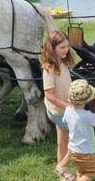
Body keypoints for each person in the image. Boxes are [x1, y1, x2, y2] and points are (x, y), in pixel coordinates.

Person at [41, 30, 76, 181]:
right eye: (62, 47)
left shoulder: (61, 62)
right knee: (75, 141)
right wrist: (68, 106)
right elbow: (49, 94)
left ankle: (62, 169)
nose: (66, 50)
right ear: (52, 48)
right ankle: (62, 167)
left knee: (62, 141)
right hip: (59, 111)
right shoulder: (49, 67)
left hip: (62, 109)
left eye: (67, 46)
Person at [59, 79, 95, 181]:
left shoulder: (68, 110)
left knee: (81, 171)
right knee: (92, 172)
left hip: (73, 150)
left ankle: (65, 170)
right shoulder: (87, 116)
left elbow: (64, 120)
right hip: (85, 153)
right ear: (87, 100)